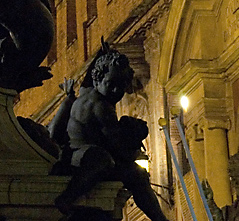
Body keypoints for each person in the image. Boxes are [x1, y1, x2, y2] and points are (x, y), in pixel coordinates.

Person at [53, 45, 168, 221]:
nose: (117, 91)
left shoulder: (87, 91)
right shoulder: (101, 107)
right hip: (79, 156)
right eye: (112, 84)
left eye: (122, 86)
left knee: (132, 172)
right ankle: (68, 197)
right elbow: (116, 146)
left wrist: (103, 53)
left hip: (80, 153)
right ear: (99, 79)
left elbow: (87, 78)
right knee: (135, 174)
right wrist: (135, 149)